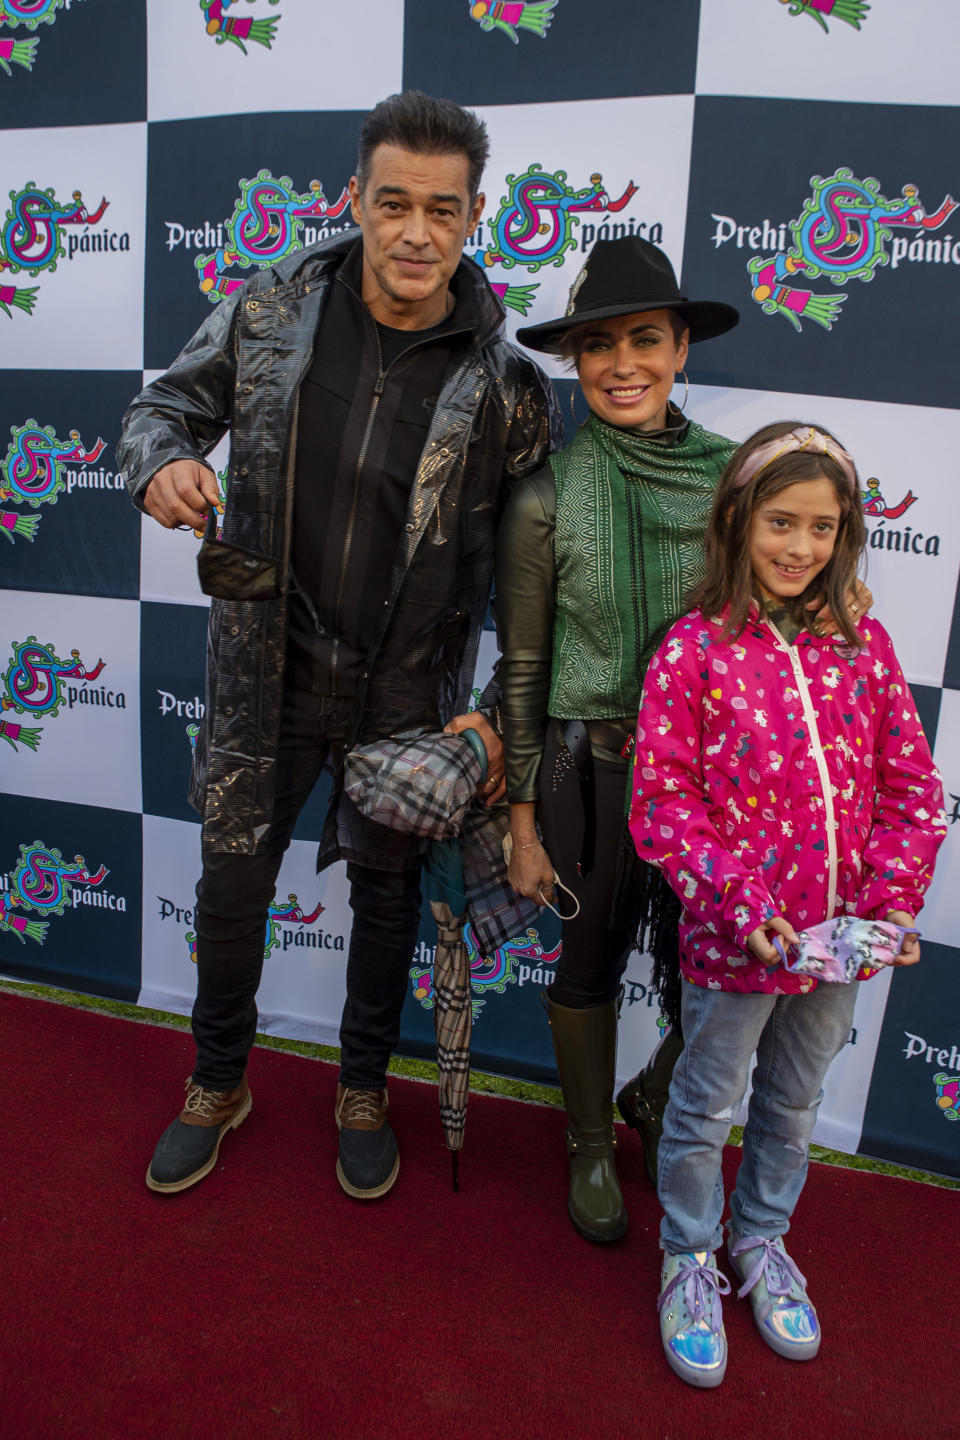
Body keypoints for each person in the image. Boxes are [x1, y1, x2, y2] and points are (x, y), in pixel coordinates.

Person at [118, 90, 559, 1200]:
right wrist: (162, 463)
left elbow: (534, 577)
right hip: (262, 675)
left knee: (389, 906)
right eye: (395, 202)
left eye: (443, 210)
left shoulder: (510, 387)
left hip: (408, 694)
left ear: (473, 219)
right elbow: (157, 413)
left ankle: (363, 1086)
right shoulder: (267, 314)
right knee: (229, 890)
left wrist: (502, 716)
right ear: (356, 199)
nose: (417, 231)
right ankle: (219, 1080)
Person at [629, 422, 945, 1387]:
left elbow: (911, 788)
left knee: (794, 1104)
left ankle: (760, 1242)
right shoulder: (693, 650)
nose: (800, 547)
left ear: (844, 533)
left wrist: (889, 904)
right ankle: (689, 1256)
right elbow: (665, 801)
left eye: (822, 526)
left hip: (840, 949)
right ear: (737, 519)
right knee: (701, 1106)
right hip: (737, 945)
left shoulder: (864, 641)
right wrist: (739, 905)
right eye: (780, 522)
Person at [495, 236, 741, 1242]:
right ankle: (591, 1144)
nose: (623, 362)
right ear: (575, 363)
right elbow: (520, 669)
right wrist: (518, 818)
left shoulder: (743, 482)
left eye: (646, 338)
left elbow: (789, 606)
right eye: (599, 346)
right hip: (582, 768)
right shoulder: (545, 493)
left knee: (724, 976)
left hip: (712, 776)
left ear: (683, 348)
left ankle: (653, 1093)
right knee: (587, 959)